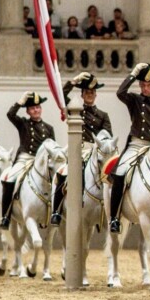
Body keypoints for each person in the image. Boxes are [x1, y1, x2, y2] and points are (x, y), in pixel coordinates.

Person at [110, 63, 150, 233]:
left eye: (148, 85)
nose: (145, 88)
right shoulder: (134, 100)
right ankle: (114, 217)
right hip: (136, 145)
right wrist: (133, 73)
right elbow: (120, 92)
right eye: (143, 85)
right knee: (120, 174)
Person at [50, 72, 112, 226]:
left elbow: (108, 135)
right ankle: (57, 211)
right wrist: (73, 81)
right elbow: (61, 95)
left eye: (92, 92)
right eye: (87, 92)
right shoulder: (75, 110)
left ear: (95, 95)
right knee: (63, 174)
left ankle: (114, 212)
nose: (90, 95)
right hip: (80, 150)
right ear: (83, 94)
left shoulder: (103, 115)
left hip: (97, 151)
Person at [0, 92, 55, 229]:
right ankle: (6, 215)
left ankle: (55, 212)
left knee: (55, 180)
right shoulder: (23, 123)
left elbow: (52, 147)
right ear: (28, 111)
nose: (36, 110)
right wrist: (20, 102)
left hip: (40, 162)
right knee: (9, 179)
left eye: (38, 107)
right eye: (32, 108)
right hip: (25, 159)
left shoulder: (49, 128)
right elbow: (10, 115)